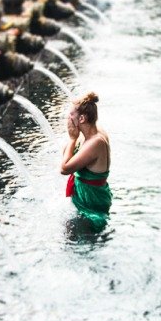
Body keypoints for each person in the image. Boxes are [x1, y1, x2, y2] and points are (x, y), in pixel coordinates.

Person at [60, 91, 111, 231]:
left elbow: (64, 168)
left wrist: (72, 138)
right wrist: (74, 137)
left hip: (92, 202)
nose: (67, 118)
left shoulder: (95, 142)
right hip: (88, 196)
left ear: (81, 118)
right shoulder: (91, 133)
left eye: (71, 115)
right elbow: (67, 153)